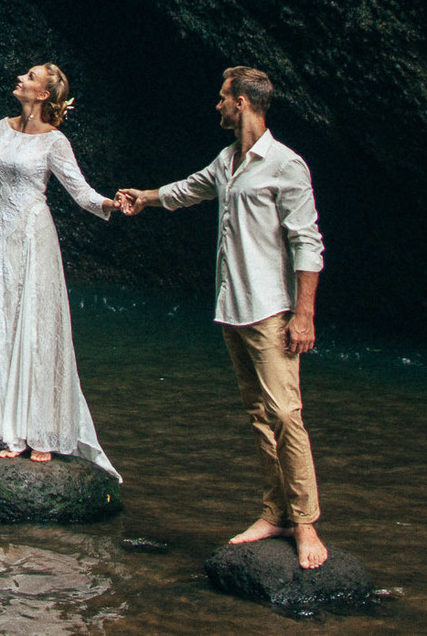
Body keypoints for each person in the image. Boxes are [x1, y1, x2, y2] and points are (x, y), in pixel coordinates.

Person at [116, 66, 328, 567]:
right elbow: (188, 189)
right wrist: (144, 198)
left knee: (286, 415)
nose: (217, 105)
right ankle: (274, 513)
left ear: (242, 102)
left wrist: (304, 314)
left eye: (222, 97)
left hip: (271, 308)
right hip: (233, 307)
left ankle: (306, 525)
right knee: (259, 416)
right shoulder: (227, 160)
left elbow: (307, 242)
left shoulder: (285, 164)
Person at [0, 61, 121, 473]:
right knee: (4, 324)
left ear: (43, 94)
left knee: (37, 329)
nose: (20, 79)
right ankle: (11, 429)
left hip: (33, 237)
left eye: (30, 77)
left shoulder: (55, 142)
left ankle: (42, 429)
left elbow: (81, 192)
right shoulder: (1, 128)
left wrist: (110, 205)